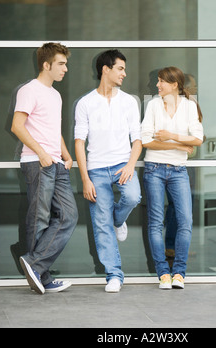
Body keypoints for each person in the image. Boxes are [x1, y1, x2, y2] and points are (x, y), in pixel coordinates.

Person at [11, 43, 78, 295]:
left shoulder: (55, 94)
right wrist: (41, 153)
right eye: (61, 64)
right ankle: (42, 275)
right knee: (39, 220)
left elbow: (54, 130)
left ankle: (36, 266)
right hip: (38, 162)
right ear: (46, 65)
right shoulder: (30, 90)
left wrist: (66, 154)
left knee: (68, 216)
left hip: (56, 162)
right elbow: (18, 126)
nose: (65, 69)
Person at [75, 49, 142, 293]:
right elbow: (79, 142)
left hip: (123, 164)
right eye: (120, 68)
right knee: (100, 224)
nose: (124, 73)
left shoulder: (129, 101)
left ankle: (118, 219)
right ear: (106, 69)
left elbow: (138, 139)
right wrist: (85, 179)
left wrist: (130, 165)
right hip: (96, 169)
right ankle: (114, 275)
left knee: (133, 196)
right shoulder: (85, 103)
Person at [141, 67, 204, 290]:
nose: (157, 85)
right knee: (156, 223)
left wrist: (170, 136)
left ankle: (179, 273)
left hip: (178, 171)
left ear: (174, 84)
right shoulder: (153, 105)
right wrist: (180, 144)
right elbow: (146, 141)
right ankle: (163, 274)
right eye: (158, 81)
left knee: (185, 221)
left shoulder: (189, 107)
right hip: (154, 169)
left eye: (161, 82)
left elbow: (197, 139)